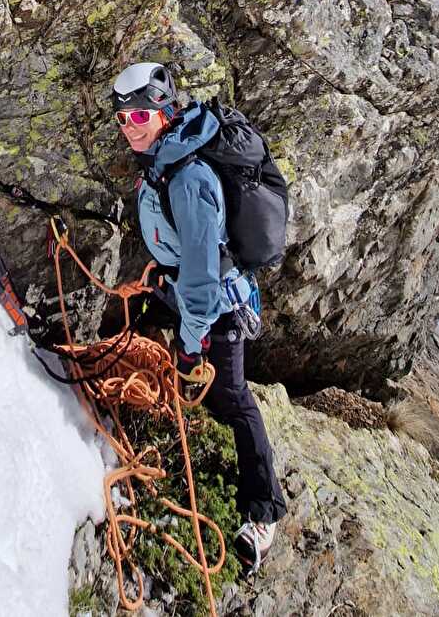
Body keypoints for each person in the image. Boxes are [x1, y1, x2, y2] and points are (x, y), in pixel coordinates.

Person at [112, 60, 288, 571]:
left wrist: (190, 344)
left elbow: (203, 278)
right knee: (196, 379)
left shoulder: (189, 178)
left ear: (165, 112)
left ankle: (265, 511)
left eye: (140, 116)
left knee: (231, 399)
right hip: (191, 293)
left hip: (220, 307)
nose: (130, 128)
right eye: (124, 119)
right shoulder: (166, 160)